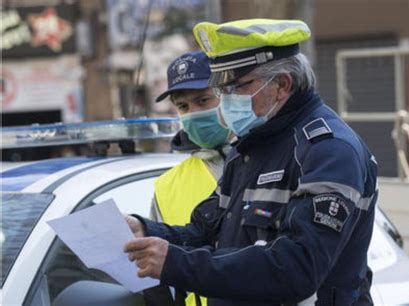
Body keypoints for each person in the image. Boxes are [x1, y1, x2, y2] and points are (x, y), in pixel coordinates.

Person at [125, 18, 378, 306]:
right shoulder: (249, 147)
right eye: (222, 90)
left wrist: (176, 264)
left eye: (236, 87)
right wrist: (146, 231)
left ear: (282, 84)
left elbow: (296, 268)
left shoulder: (329, 150)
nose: (227, 101)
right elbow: (206, 231)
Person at [140, 51, 231, 306]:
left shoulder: (267, 163)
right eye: (183, 106)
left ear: (229, 96)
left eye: (203, 100)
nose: (193, 113)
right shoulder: (166, 186)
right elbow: (158, 279)